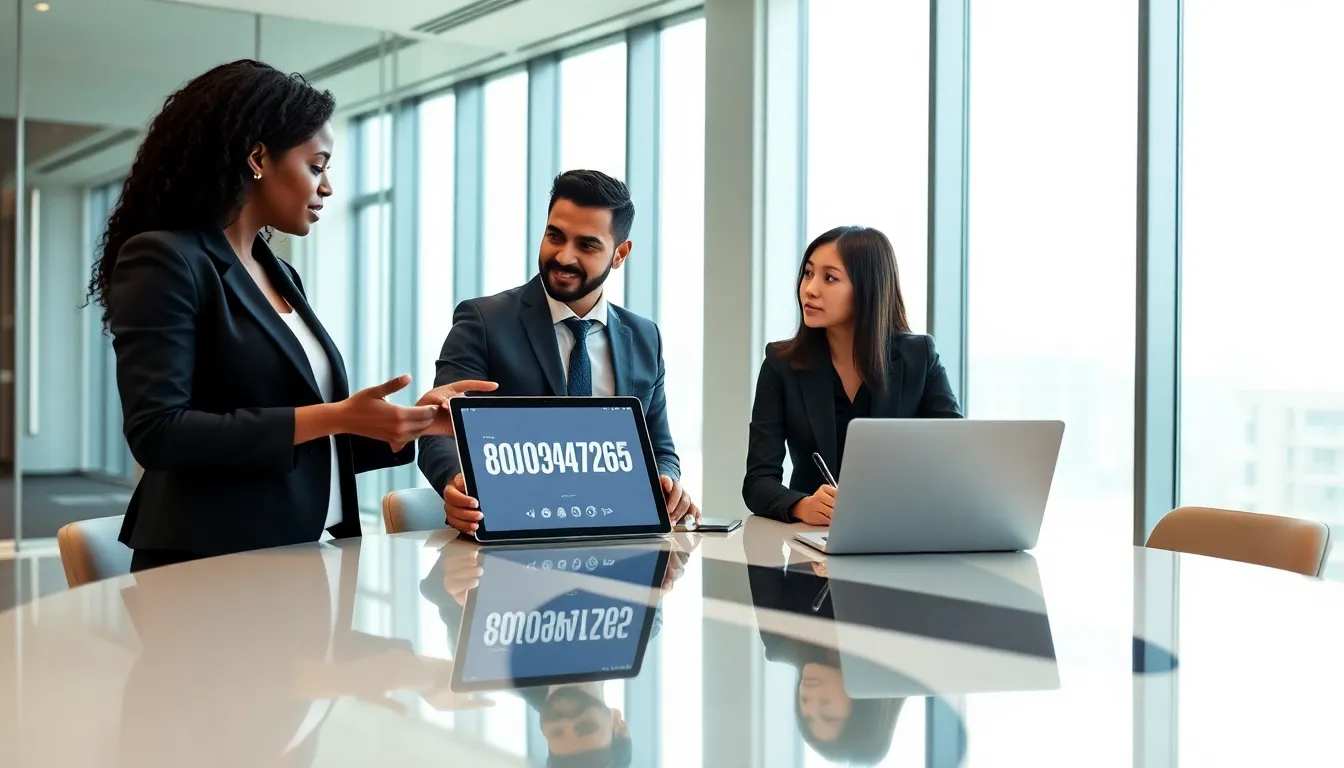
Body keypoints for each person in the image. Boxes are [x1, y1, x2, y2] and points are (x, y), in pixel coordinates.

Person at [85, 60, 494, 572]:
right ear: (258, 157)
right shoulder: (167, 259)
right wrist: (339, 414)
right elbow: (160, 433)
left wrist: (400, 424)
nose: (326, 188)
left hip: (307, 556)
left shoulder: (278, 272)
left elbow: (297, 437)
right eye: (317, 166)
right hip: (210, 564)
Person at [419, 169, 699, 533]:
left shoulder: (645, 337)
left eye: (587, 245)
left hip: (616, 538)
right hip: (510, 539)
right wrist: (454, 481)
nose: (564, 256)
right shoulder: (484, 321)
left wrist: (666, 481)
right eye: (555, 236)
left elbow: (658, 446)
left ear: (620, 253)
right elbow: (437, 427)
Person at [743, 226, 962, 525]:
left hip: (900, 529)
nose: (810, 289)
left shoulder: (919, 356)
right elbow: (757, 482)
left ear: (867, 288)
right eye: (808, 273)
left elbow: (955, 456)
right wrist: (802, 505)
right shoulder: (782, 364)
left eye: (829, 278)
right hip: (814, 540)